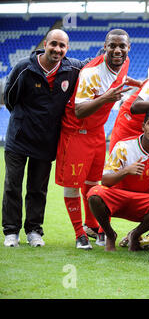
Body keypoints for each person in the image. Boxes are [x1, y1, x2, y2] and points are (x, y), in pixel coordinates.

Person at [2, 29, 89, 248]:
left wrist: (111, 50)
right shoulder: (24, 68)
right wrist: (25, 121)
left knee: (37, 188)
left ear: (67, 49)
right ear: (45, 44)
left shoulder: (73, 68)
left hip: (47, 141)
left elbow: (94, 62)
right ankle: (11, 232)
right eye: (54, 44)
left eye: (62, 46)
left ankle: (33, 231)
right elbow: (10, 99)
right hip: (19, 138)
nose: (58, 49)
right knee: (13, 185)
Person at [55, 29, 133, 249]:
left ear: (129, 48)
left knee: (93, 183)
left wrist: (139, 85)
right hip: (76, 131)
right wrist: (107, 97)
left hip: (97, 132)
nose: (117, 50)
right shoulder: (91, 73)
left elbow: (123, 78)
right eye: (112, 46)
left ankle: (92, 226)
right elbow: (79, 111)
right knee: (72, 185)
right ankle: (79, 233)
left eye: (122, 46)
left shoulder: (124, 62)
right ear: (105, 47)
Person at [87, 108, 149, 251]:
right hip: (120, 197)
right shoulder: (124, 146)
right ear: (143, 126)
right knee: (94, 194)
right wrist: (126, 171)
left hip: (146, 201)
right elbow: (105, 181)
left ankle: (135, 234)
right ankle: (110, 234)